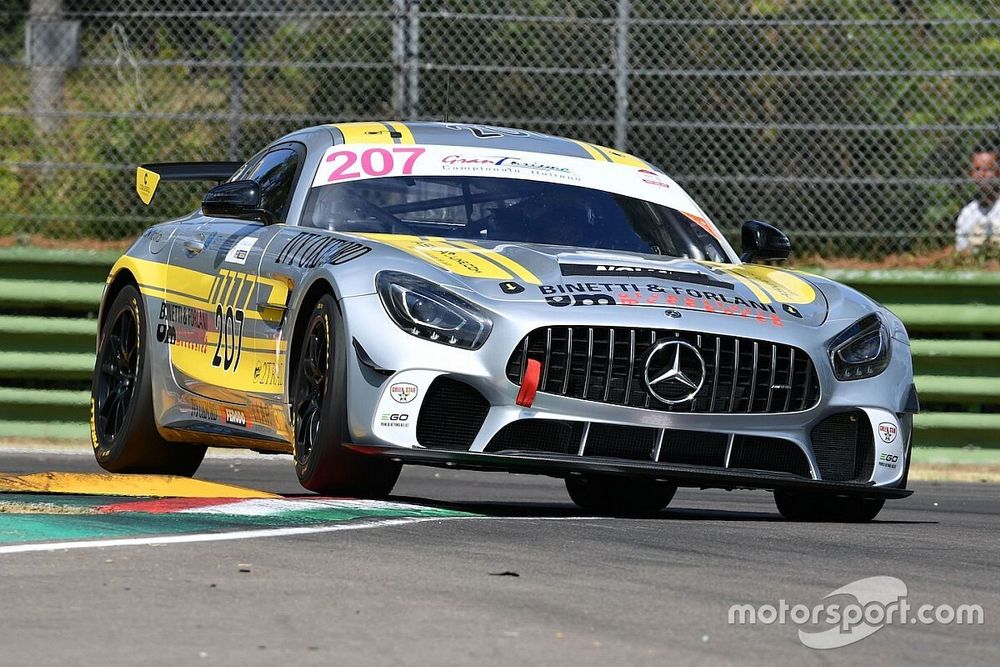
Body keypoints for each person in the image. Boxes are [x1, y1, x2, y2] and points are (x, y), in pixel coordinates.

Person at [955, 145, 1000, 251]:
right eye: (978, 169)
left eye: (989, 169)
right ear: (970, 174)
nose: (983, 174)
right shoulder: (967, 213)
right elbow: (962, 252)